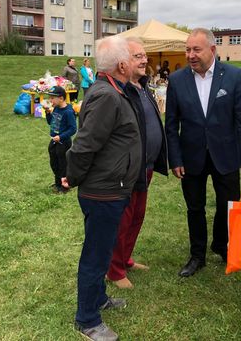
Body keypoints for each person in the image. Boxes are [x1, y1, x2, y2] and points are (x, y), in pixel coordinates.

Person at [63, 36, 142, 341]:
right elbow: (84, 145)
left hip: (111, 188)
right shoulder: (107, 95)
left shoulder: (112, 90)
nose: (135, 62)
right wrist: (72, 177)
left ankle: (97, 299)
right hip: (103, 191)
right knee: (96, 256)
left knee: (103, 249)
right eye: (131, 58)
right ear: (122, 65)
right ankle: (87, 319)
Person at [165, 28, 241, 277]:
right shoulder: (177, 80)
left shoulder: (233, 76)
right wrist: (175, 158)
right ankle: (197, 255)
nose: (190, 55)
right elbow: (171, 125)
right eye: (187, 50)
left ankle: (221, 244)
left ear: (213, 50)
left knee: (227, 205)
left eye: (196, 49)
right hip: (191, 157)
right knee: (194, 208)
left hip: (226, 155)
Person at [106, 38, 168, 289]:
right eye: (138, 56)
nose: (145, 60)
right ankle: (114, 270)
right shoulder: (120, 91)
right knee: (124, 219)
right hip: (128, 169)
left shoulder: (143, 86)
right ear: (122, 62)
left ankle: (125, 259)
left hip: (147, 166)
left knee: (137, 217)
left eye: (144, 55)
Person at [44, 86, 77, 194]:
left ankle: (65, 186)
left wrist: (61, 136)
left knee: (63, 164)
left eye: (52, 98)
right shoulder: (56, 108)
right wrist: (48, 113)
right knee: (54, 162)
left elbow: (73, 129)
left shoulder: (68, 112)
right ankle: (58, 182)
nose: (50, 100)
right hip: (54, 141)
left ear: (61, 98)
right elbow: (51, 122)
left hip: (63, 142)